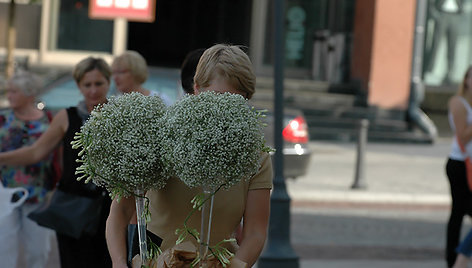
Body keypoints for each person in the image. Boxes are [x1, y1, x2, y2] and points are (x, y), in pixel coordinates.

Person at [106, 44, 272, 267]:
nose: (223, 109)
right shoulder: (159, 135)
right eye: (216, 97)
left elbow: (255, 233)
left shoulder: (256, 155)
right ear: (196, 88)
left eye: (235, 101)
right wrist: (119, 263)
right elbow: (119, 214)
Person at [0, 57, 113, 268]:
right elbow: (36, 152)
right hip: (72, 207)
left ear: (108, 82)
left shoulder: (119, 115)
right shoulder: (66, 117)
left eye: (98, 83)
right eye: (86, 85)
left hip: (109, 208)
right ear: (78, 86)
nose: (93, 90)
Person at [0, 70, 57, 268]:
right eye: (9, 91)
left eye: (14, 91)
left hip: (38, 195)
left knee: (38, 251)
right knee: (4, 248)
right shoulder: (2, 118)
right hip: (4, 194)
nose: (9, 95)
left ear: (30, 93)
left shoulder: (48, 120)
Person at [445, 65, 472, 267]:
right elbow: (463, 134)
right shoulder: (458, 102)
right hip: (460, 163)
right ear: (466, 80)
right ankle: (454, 259)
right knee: (458, 212)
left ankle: (459, 258)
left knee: (461, 212)